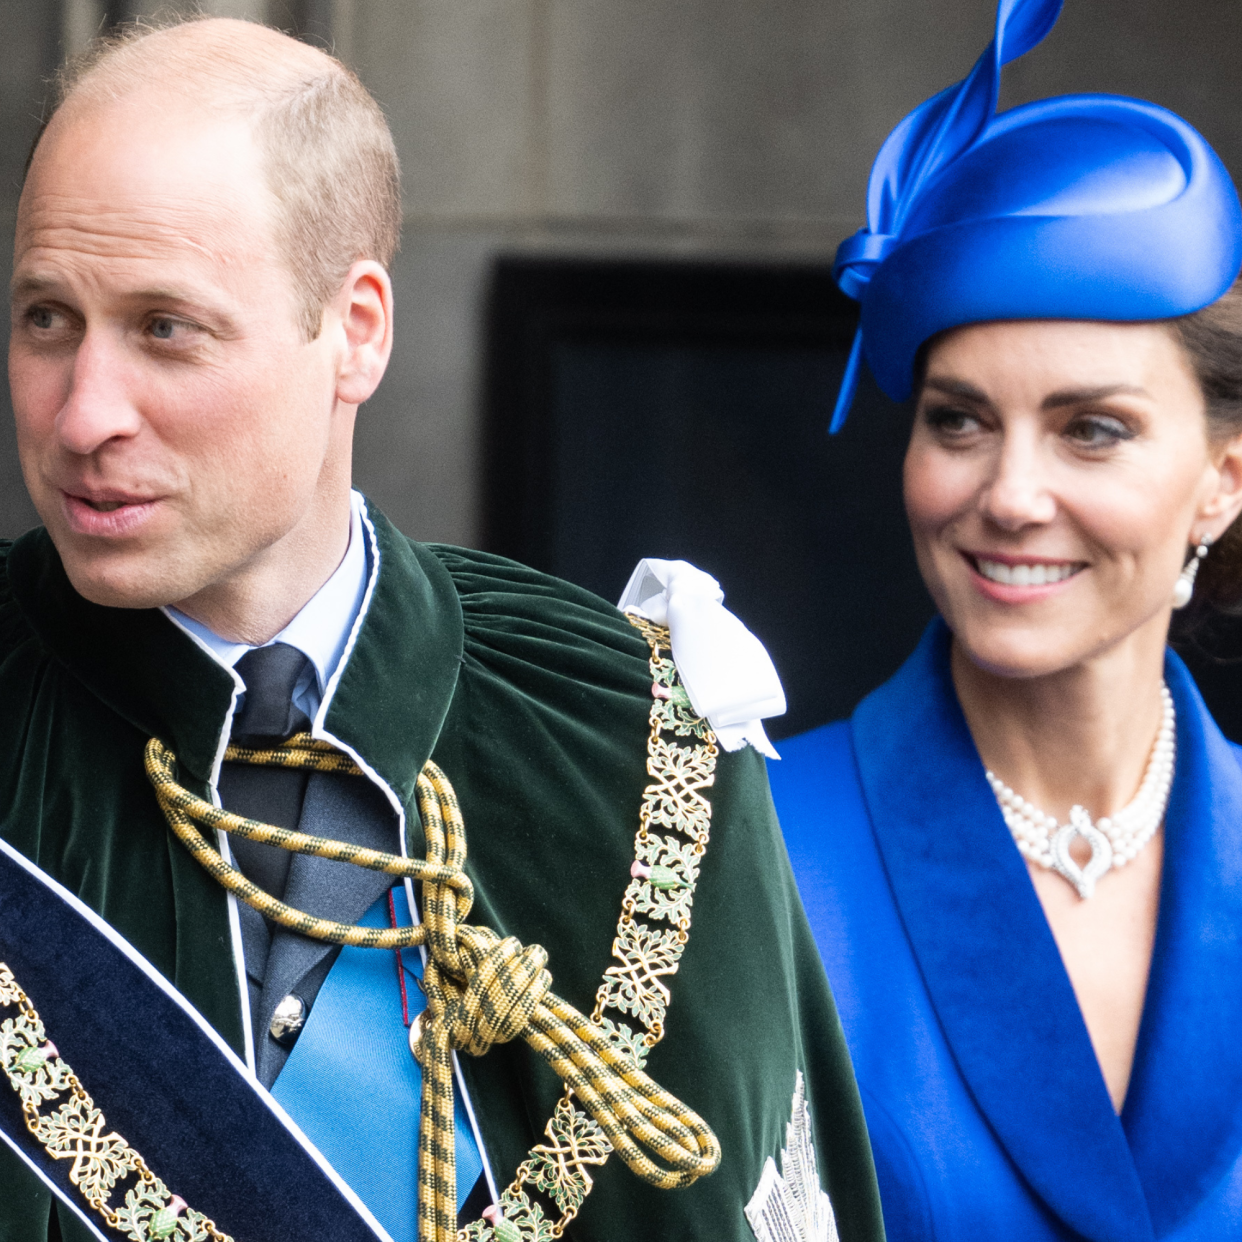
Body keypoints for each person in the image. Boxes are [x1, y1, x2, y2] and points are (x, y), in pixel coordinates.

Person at [0, 17, 886, 1242]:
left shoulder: (628, 741)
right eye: (47, 317)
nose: (83, 411)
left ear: (356, 328)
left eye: (165, 328)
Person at [770, 0, 1242, 1238]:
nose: (1009, 496)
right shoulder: (754, 853)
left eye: (1092, 428)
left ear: (1223, 481)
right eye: (960, 421)